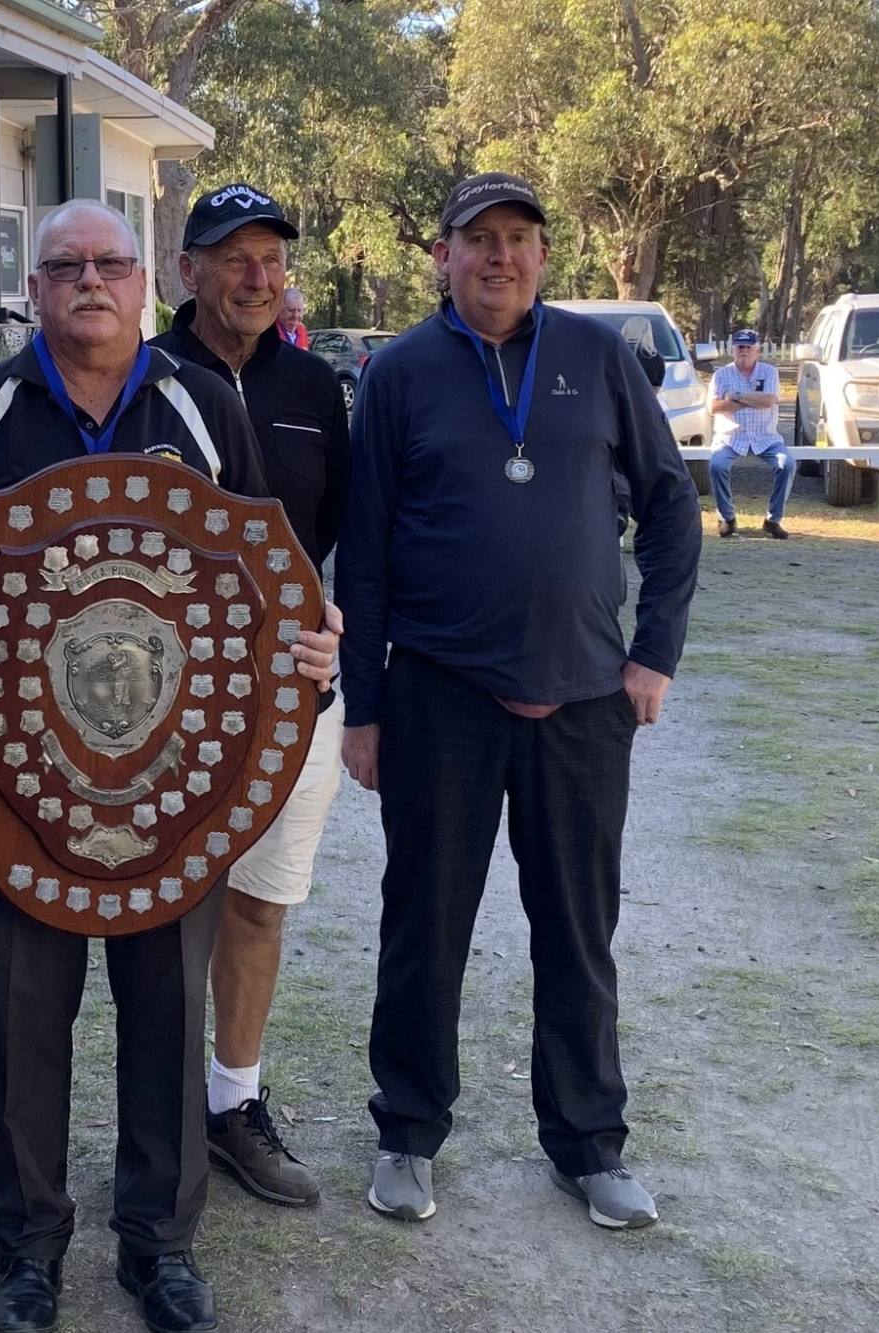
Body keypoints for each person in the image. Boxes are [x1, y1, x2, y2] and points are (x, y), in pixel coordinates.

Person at [0, 198, 341, 1333]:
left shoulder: (202, 401)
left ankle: (160, 1246)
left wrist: (308, 643)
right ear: (30, 290)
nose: (88, 281)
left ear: (144, 282)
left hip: (177, 778)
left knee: (162, 1009)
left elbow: (261, 567)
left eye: (108, 263)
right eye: (63, 266)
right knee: (21, 1019)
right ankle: (26, 1252)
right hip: (16, 780)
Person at [337, 172, 700, 1233]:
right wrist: (362, 709)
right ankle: (406, 1132)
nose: (498, 256)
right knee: (423, 924)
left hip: (586, 699)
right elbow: (362, 556)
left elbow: (671, 506)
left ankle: (587, 1144)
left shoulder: (598, 357)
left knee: (578, 930)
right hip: (440, 698)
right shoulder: (397, 372)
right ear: (440, 257)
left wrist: (652, 655)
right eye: (477, 239)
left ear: (543, 257)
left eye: (518, 239)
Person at [150, 182, 350, 1210]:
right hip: (165, 710)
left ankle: (232, 1103)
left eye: (270, 258)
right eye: (233, 257)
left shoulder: (315, 389)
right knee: (168, 911)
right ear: (187, 271)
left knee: (261, 903)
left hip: (294, 697)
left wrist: (341, 626)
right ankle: (157, 1123)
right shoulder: (139, 381)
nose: (255, 277)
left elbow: (342, 538)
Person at [709, 329, 793, 538]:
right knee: (717, 465)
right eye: (740, 347)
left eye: (748, 347)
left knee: (786, 464)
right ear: (733, 349)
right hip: (730, 437)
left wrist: (736, 397)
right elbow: (714, 407)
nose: (743, 351)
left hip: (765, 437)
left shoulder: (769, 372)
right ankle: (727, 517)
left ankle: (773, 520)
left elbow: (769, 401)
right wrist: (752, 401)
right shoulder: (721, 374)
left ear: (757, 350)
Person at [619, 315, 666, 390]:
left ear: (626, 329)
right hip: (642, 400)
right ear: (648, 331)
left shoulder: (615, 352)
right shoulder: (656, 358)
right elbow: (655, 389)